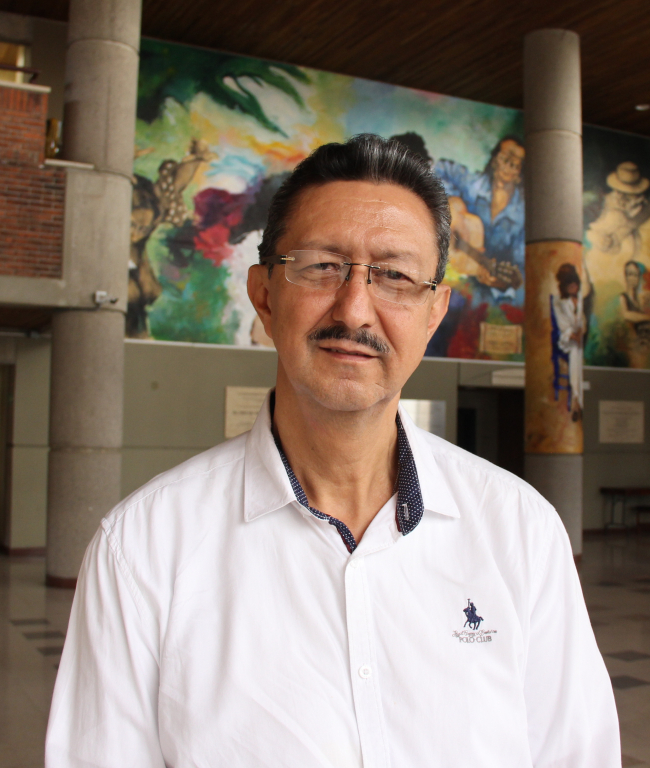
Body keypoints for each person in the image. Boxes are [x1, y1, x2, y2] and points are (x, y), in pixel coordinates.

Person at [45, 134, 619, 767]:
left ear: (434, 313)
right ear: (265, 295)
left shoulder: (520, 530)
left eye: (394, 276)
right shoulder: (144, 550)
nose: (355, 310)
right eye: (322, 266)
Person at [434, 136, 526, 292]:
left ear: (520, 171)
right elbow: (439, 168)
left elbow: (520, 265)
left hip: (477, 286)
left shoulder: (521, 215)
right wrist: (451, 205)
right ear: (494, 159)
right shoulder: (472, 184)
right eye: (505, 158)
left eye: (515, 163)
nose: (509, 165)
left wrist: (500, 283)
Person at [553, 263, 585, 422]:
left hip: (580, 337)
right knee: (575, 352)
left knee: (579, 352)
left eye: (575, 284)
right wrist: (573, 336)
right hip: (567, 340)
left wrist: (581, 332)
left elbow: (583, 321)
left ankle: (577, 401)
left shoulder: (581, 299)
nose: (573, 287)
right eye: (570, 284)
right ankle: (577, 399)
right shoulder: (559, 302)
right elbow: (563, 326)